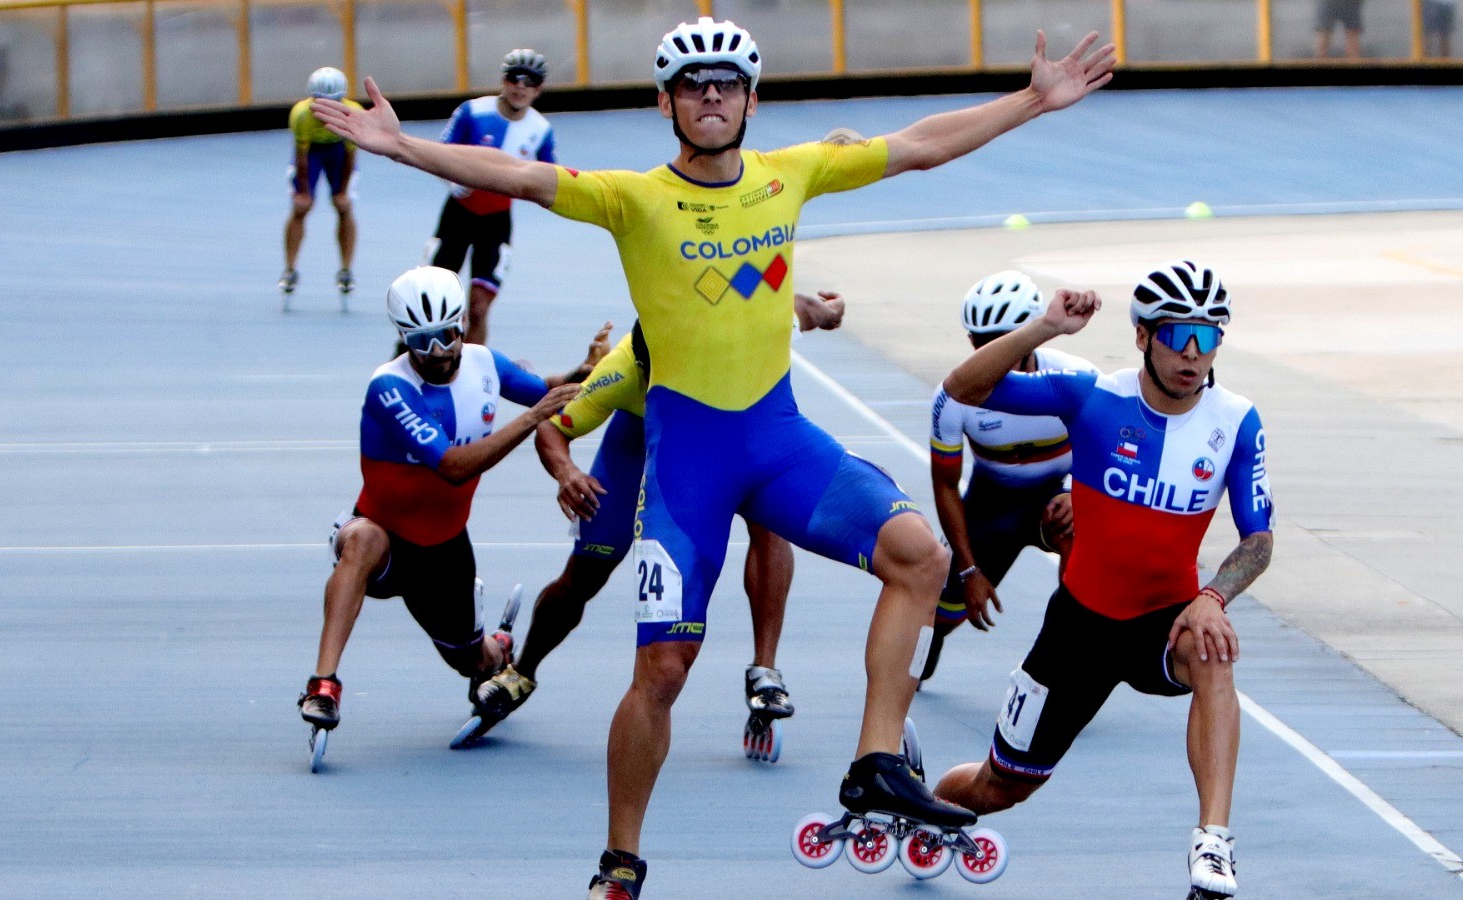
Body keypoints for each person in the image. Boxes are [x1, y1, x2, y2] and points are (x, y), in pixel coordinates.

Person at [312, 19, 1114, 897]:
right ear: (665, 102)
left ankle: (875, 762)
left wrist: (1033, 100)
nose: (710, 95)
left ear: (750, 100)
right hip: (687, 468)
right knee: (661, 673)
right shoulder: (631, 197)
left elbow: (920, 145)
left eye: (726, 82)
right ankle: (620, 862)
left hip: (777, 442)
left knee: (920, 557)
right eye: (692, 84)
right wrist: (400, 146)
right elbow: (516, 176)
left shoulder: (790, 174)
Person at [932, 261, 1275, 900]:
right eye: (1177, 335)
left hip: (1164, 620)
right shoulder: (1091, 395)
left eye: (1207, 336)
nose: (1193, 353)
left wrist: (1213, 596)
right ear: (1142, 336)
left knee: (1213, 648)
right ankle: (924, 803)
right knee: (998, 787)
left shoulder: (1237, 421)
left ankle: (1213, 841)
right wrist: (1044, 328)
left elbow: (1258, 540)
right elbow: (962, 388)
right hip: (1078, 630)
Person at [478, 291, 847, 739]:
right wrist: (568, 474)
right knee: (586, 572)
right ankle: (523, 670)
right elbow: (551, 431)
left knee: (770, 521)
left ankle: (764, 670)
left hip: (727, 427)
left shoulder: (739, 334)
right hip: (642, 441)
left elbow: (796, 306)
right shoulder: (619, 370)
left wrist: (830, 311)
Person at [297, 265, 608, 738]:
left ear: (462, 323)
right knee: (359, 540)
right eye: (422, 342)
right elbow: (452, 466)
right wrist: (531, 419)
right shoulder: (390, 388)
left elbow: (548, 394)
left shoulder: (485, 364)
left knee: (474, 661)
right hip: (385, 538)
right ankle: (323, 684)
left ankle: (496, 649)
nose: (438, 352)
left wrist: (585, 373)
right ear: (403, 338)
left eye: (446, 335)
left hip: (443, 551)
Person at [923, 270, 1098, 683]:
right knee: (941, 615)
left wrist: (1078, 493)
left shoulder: (1077, 378)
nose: (993, 353)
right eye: (981, 343)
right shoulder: (955, 396)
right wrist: (969, 572)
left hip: (1054, 497)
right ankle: (937, 635)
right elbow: (945, 485)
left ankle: (1065, 648)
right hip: (991, 505)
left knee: (1073, 528)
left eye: (1004, 339)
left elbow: (1107, 455)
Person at [425, 49, 558, 346]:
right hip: (458, 215)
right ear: (503, 80)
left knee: (478, 308)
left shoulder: (540, 130)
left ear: (539, 90)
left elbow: (550, 176)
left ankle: (472, 365)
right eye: (514, 78)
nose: (520, 87)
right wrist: (452, 182)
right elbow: (439, 153)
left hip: (496, 222)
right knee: (437, 301)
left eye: (530, 81)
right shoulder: (472, 112)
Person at [281, 67, 364, 297]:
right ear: (312, 99)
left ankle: (346, 269)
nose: (326, 109)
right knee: (300, 207)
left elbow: (350, 154)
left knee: (344, 207)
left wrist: (342, 191)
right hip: (312, 154)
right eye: (320, 103)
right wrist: (304, 192)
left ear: (342, 100)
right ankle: (289, 269)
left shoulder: (353, 114)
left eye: (333, 103)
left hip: (338, 151)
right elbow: (301, 156)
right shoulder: (301, 115)